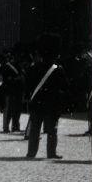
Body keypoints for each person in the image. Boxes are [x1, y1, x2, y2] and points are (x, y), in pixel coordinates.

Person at [25, 32, 68, 160]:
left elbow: (28, 86)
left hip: (37, 103)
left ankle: (31, 152)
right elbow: (64, 87)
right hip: (51, 104)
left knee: (34, 130)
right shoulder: (58, 69)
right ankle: (51, 153)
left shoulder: (33, 68)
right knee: (51, 131)